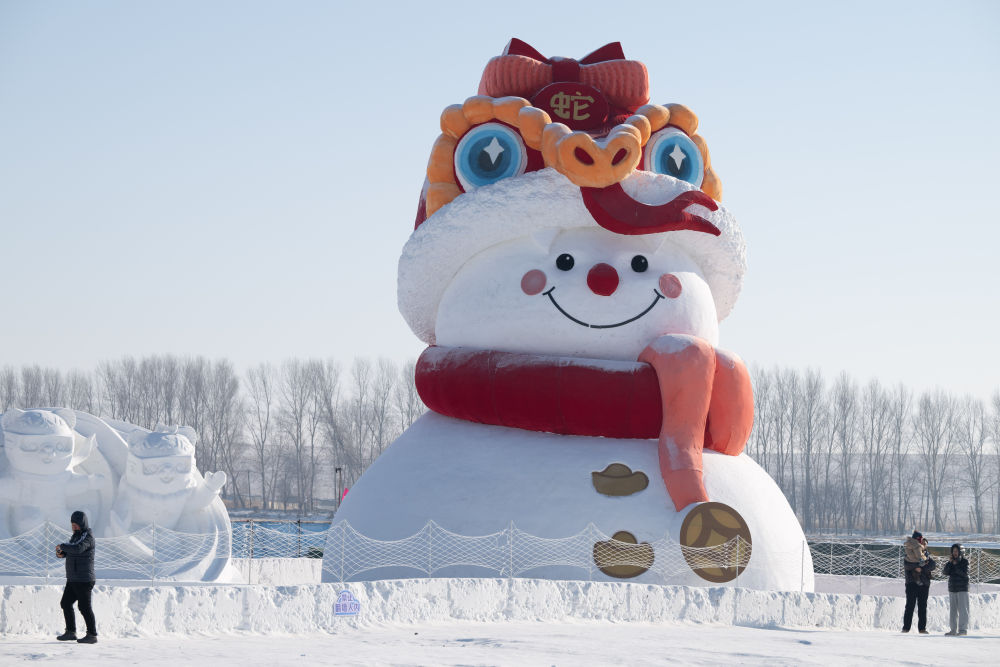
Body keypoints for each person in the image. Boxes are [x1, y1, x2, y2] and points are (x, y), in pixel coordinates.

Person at [55, 510, 98, 644]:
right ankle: (70, 632)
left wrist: (63, 546)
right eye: (72, 523)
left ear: (83, 523)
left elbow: (78, 548)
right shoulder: (75, 537)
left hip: (84, 579)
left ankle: (92, 635)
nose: (73, 526)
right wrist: (61, 553)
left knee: (84, 607)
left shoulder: (87, 537)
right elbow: (71, 551)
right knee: (65, 603)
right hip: (73, 578)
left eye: (76, 523)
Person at [902, 533, 935, 634]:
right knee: (910, 606)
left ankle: (922, 628)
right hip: (911, 583)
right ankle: (906, 628)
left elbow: (932, 565)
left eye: (925, 543)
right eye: (922, 543)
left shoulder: (927, 556)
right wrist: (916, 566)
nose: (923, 545)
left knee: (922, 607)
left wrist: (921, 568)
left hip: (924, 585)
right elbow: (907, 565)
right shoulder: (910, 553)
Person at [942, 543, 969, 636]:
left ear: (961, 552)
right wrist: (950, 563)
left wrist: (956, 565)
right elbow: (945, 572)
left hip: (962, 589)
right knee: (953, 611)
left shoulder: (965, 562)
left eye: (956, 551)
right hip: (952, 588)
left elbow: (965, 574)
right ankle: (953, 630)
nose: (955, 553)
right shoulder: (951, 562)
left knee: (963, 610)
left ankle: (963, 630)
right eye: (953, 551)